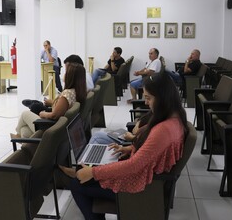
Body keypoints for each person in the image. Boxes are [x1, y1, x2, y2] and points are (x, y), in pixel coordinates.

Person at [70, 72, 188, 220]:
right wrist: (129, 149)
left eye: (148, 98)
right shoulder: (175, 117)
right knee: (88, 172)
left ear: (163, 98)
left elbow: (133, 166)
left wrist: (93, 172)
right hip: (149, 180)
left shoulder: (163, 129)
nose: (146, 103)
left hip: (141, 186)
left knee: (76, 183)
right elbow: (153, 151)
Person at [12, 63, 87, 138]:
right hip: (59, 127)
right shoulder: (78, 91)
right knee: (24, 130)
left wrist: (42, 114)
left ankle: (17, 136)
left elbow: (54, 115)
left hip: (52, 127)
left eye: (66, 72)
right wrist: (53, 103)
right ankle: (26, 143)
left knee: (25, 114)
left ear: (70, 76)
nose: (64, 74)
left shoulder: (67, 94)